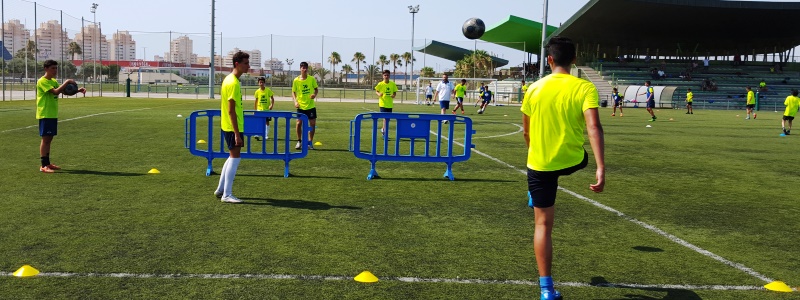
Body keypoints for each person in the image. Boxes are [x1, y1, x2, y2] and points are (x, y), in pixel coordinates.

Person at [521, 36, 605, 300]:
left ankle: (546, 289)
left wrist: (535, 152)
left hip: (540, 164)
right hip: (572, 160)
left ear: (549, 60)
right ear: (574, 60)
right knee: (581, 159)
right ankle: (539, 189)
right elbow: (593, 127)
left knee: (543, 225)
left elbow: (527, 132)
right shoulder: (584, 88)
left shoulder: (533, 88)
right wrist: (601, 167)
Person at [36, 59, 86, 173]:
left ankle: (48, 163)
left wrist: (78, 90)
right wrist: (67, 81)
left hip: (52, 114)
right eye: (52, 68)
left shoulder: (53, 81)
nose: (55, 70)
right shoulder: (42, 81)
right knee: (45, 139)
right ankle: (43, 166)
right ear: (46, 69)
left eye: (56, 68)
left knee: (49, 139)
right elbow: (56, 92)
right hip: (45, 114)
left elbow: (64, 92)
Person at [213, 51, 250, 204]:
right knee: (235, 158)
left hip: (227, 125)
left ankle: (221, 189)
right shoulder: (233, 82)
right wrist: (237, 133)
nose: (248, 66)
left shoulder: (229, 79)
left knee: (231, 157)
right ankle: (227, 195)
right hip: (231, 127)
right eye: (246, 63)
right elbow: (230, 110)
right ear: (237, 64)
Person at [292, 61, 319, 150]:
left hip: (310, 106)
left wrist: (314, 95)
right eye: (303, 67)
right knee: (299, 123)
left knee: (312, 124)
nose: (304, 69)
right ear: (300, 69)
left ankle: (310, 142)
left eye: (306, 67)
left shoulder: (311, 79)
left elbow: (316, 89)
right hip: (300, 106)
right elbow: (293, 92)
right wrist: (295, 101)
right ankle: (299, 141)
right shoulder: (296, 80)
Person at [375, 70, 397, 135]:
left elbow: (394, 92)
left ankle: (383, 129)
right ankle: (385, 131)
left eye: (387, 75)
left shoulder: (392, 84)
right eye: (385, 75)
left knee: (388, 119)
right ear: (383, 76)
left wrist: (393, 95)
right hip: (382, 103)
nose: (386, 76)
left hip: (389, 104)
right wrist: (379, 94)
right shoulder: (380, 84)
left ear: (389, 76)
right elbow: (376, 91)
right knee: (385, 117)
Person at [253, 77, 275, 141]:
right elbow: (256, 101)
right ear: (258, 83)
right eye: (260, 82)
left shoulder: (268, 90)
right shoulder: (257, 92)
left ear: (264, 83)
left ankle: (266, 135)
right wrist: (255, 110)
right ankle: (257, 134)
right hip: (259, 110)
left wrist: (271, 105)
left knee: (267, 122)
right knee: (258, 122)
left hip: (266, 110)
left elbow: (272, 98)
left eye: (262, 82)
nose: (261, 83)